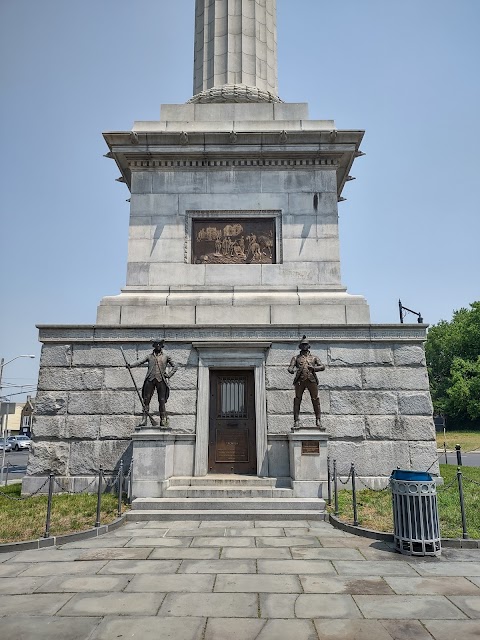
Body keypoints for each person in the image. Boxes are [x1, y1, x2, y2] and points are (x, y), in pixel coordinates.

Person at [127, 340, 178, 427]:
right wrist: (130, 365)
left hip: (161, 380)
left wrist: (169, 375)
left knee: (162, 400)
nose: (158, 345)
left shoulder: (166, 356)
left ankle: (163, 420)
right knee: (146, 400)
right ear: (154, 345)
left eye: (159, 344)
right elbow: (139, 362)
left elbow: (175, 366)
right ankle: (144, 419)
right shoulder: (149, 356)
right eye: (156, 344)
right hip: (150, 379)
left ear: (162, 346)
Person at [288, 335, 325, 429]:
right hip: (300, 380)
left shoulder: (314, 358)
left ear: (309, 346)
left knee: (315, 399)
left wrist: (314, 368)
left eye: (306, 345)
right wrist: (291, 370)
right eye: (303, 345)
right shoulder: (296, 358)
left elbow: (322, 367)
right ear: (300, 346)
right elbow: (290, 367)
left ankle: (318, 419)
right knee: (297, 399)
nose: (304, 346)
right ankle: (296, 420)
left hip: (311, 380)